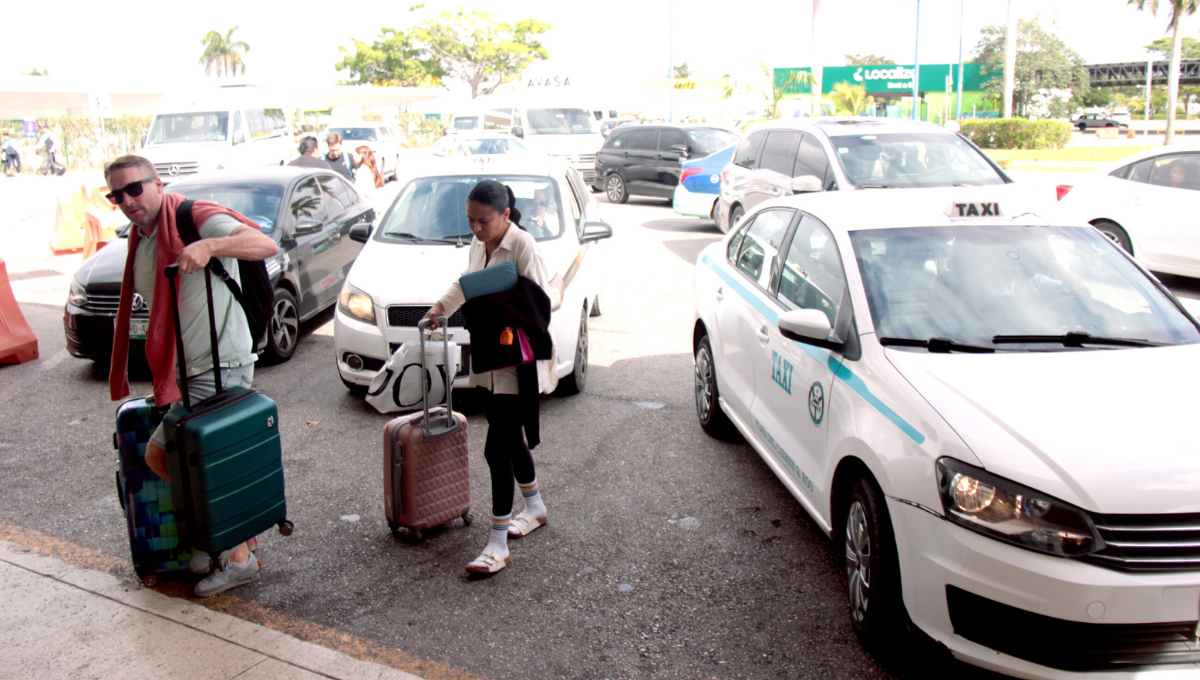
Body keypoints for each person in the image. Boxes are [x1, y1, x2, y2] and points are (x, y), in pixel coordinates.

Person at [103, 155, 279, 597]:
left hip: (221, 362)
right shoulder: (140, 238)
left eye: (134, 189)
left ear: (157, 184)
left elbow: (263, 245)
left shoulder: (191, 215)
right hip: (190, 367)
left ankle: (238, 559)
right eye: (116, 194)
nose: (126, 200)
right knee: (173, 458)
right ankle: (217, 540)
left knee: (196, 461)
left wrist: (208, 247)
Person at [424, 180, 558, 575]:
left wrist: (493, 305)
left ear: (506, 215)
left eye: (484, 221)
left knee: (495, 449)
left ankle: (497, 544)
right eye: (470, 221)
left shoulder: (521, 246)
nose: (477, 229)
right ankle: (534, 506)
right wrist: (440, 309)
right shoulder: (477, 243)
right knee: (509, 435)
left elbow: (539, 307)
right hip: (489, 357)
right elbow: (467, 285)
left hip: (518, 365)